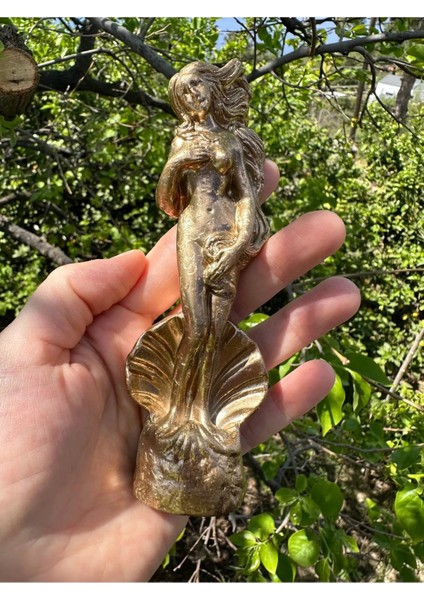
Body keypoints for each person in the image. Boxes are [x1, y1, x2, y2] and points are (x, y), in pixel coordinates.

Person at [0, 159, 360, 581]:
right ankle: (178, 413)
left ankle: (202, 415)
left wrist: (237, 245)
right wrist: (177, 163)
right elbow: (169, 200)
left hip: (227, 236)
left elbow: (247, 201)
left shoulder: (234, 142)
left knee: (215, 331)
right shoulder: (186, 143)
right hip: (192, 230)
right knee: (197, 326)